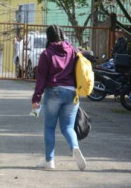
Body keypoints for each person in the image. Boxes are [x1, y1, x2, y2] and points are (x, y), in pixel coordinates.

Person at [32, 25, 86, 171]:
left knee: (49, 127)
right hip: (72, 93)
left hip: (54, 92)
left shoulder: (46, 54)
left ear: (48, 37)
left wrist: (36, 98)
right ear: (61, 35)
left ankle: (50, 161)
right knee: (68, 127)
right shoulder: (73, 50)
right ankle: (74, 147)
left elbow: (41, 79)